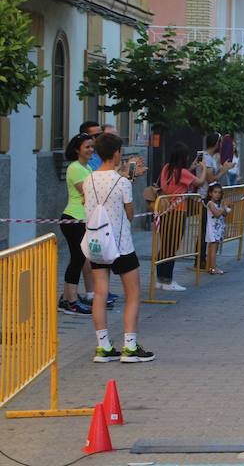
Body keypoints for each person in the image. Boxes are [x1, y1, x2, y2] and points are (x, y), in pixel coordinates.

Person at [84, 133, 154, 363]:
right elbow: (130, 214)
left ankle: (103, 346)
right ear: (116, 154)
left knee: (100, 293)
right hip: (121, 245)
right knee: (133, 293)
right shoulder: (123, 182)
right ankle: (130, 346)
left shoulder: (88, 179)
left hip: (97, 245)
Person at [156, 142, 207, 291]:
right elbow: (200, 181)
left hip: (164, 211)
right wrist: (202, 168)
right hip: (178, 212)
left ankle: (160, 279)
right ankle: (168, 280)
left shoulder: (167, 168)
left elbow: (179, 178)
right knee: (173, 246)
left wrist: (191, 168)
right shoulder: (183, 173)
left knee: (164, 245)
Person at [58, 133, 96, 316]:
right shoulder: (75, 168)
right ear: (77, 149)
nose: (90, 150)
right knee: (78, 259)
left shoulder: (86, 167)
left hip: (82, 218)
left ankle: (67, 298)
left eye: (92, 146)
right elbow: (88, 192)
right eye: (87, 147)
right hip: (73, 218)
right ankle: (71, 302)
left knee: (77, 258)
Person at [197, 133, 233, 267]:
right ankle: (201, 260)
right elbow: (211, 179)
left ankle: (202, 259)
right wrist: (224, 170)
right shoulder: (207, 158)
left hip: (204, 195)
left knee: (205, 230)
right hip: (205, 197)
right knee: (206, 230)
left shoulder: (203, 155)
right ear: (217, 144)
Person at [204, 182, 230, 275]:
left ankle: (210, 267)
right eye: (215, 192)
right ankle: (213, 268)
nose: (217, 195)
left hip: (218, 229)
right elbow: (217, 214)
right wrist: (223, 208)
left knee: (213, 248)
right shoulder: (210, 203)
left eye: (219, 193)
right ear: (210, 193)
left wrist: (225, 207)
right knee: (213, 248)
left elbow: (225, 214)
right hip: (213, 229)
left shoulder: (218, 204)